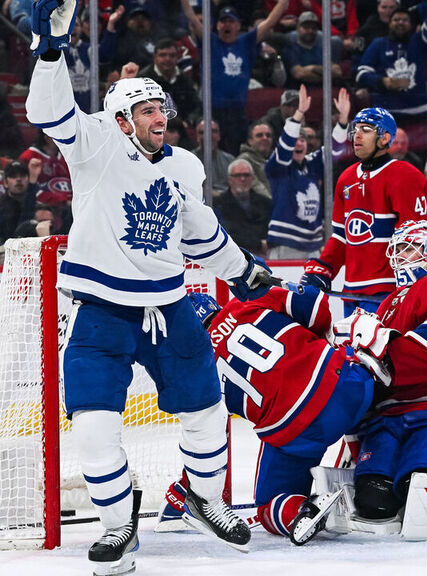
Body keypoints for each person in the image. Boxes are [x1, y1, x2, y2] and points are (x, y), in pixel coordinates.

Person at [25, 3, 274, 572]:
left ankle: (201, 502)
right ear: (120, 119)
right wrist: (49, 49)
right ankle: (118, 528)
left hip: (169, 307)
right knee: (92, 427)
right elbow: (47, 109)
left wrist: (243, 271)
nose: (158, 114)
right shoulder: (94, 146)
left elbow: (200, 234)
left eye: (161, 105)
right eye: (145, 106)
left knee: (208, 412)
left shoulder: (184, 165)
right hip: (100, 313)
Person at [296, 220, 427, 542]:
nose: (400, 256)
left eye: (409, 248)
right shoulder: (386, 305)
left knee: (419, 491)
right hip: (389, 419)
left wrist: (379, 350)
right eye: (397, 249)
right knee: (373, 501)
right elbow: (371, 373)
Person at [156, 284, 385, 542]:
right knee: (377, 403)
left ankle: (301, 511)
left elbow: (208, 438)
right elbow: (316, 306)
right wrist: (315, 343)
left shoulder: (194, 372)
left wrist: (187, 487)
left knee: (269, 505)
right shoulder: (244, 301)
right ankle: (379, 476)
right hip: (345, 384)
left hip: (295, 432)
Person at [299, 107, 427, 316]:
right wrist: (322, 270)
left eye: (366, 130)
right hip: (351, 294)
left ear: (385, 138)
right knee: (348, 349)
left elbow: (415, 237)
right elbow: (341, 237)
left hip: (388, 292)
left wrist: (410, 285)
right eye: (356, 129)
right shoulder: (346, 179)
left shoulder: (404, 176)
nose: (357, 135)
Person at [180, 0, 289, 154]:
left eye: (231, 21)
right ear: (217, 26)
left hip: (238, 111)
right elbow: (191, 17)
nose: (227, 25)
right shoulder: (210, 41)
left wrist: (283, 3)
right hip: (213, 110)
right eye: (223, 21)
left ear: (238, 25)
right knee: (210, 152)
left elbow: (270, 21)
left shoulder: (246, 42)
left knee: (238, 151)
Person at [265, 84, 349, 259]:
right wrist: (298, 115)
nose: (298, 143)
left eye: (302, 139)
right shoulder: (277, 167)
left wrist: (342, 120)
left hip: (313, 244)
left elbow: (336, 150)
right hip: (285, 243)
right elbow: (285, 145)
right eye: (295, 139)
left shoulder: (313, 164)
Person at [355, 0, 427, 155]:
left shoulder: (419, 42)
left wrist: (423, 7)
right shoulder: (379, 44)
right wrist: (382, 82)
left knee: (418, 163)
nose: (400, 23)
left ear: (411, 23)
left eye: (404, 20)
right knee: (383, 165)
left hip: (418, 117)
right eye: (396, 20)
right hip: (386, 116)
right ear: (389, 23)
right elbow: (361, 73)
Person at [213, 159, 271, 257]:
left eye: (246, 175)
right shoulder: (218, 204)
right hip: (232, 256)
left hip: (266, 257)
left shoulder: (265, 203)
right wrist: (259, 244)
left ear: (252, 178)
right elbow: (225, 236)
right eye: (237, 176)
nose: (243, 179)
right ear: (229, 180)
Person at [139, 37, 201, 126]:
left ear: (177, 57)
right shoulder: (143, 79)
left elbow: (196, 106)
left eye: (172, 55)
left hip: (181, 127)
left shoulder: (184, 78)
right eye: (163, 55)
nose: (167, 59)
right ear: (154, 57)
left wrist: (189, 121)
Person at [283, 11, 343, 88]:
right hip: (299, 91)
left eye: (313, 28)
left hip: (323, 91)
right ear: (297, 28)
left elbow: (337, 72)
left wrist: (312, 68)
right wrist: (326, 74)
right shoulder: (291, 47)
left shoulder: (323, 48)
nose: (310, 31)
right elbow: (299, 74)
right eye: (306, 27)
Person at [192, 120, 235, 196]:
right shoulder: (190, 160)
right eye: (202, 132)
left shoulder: (230, 160)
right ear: (197, 137)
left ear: (219, 136)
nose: (208, 135)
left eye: (213, 131)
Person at [0, 160, 39, 243]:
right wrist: (32, 186)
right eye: (13, 176)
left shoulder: (37, 203)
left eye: (22, 175)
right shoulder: (2, 207)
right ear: (5, 182)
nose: (18, 179)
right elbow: (16, 234)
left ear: (28, 179)